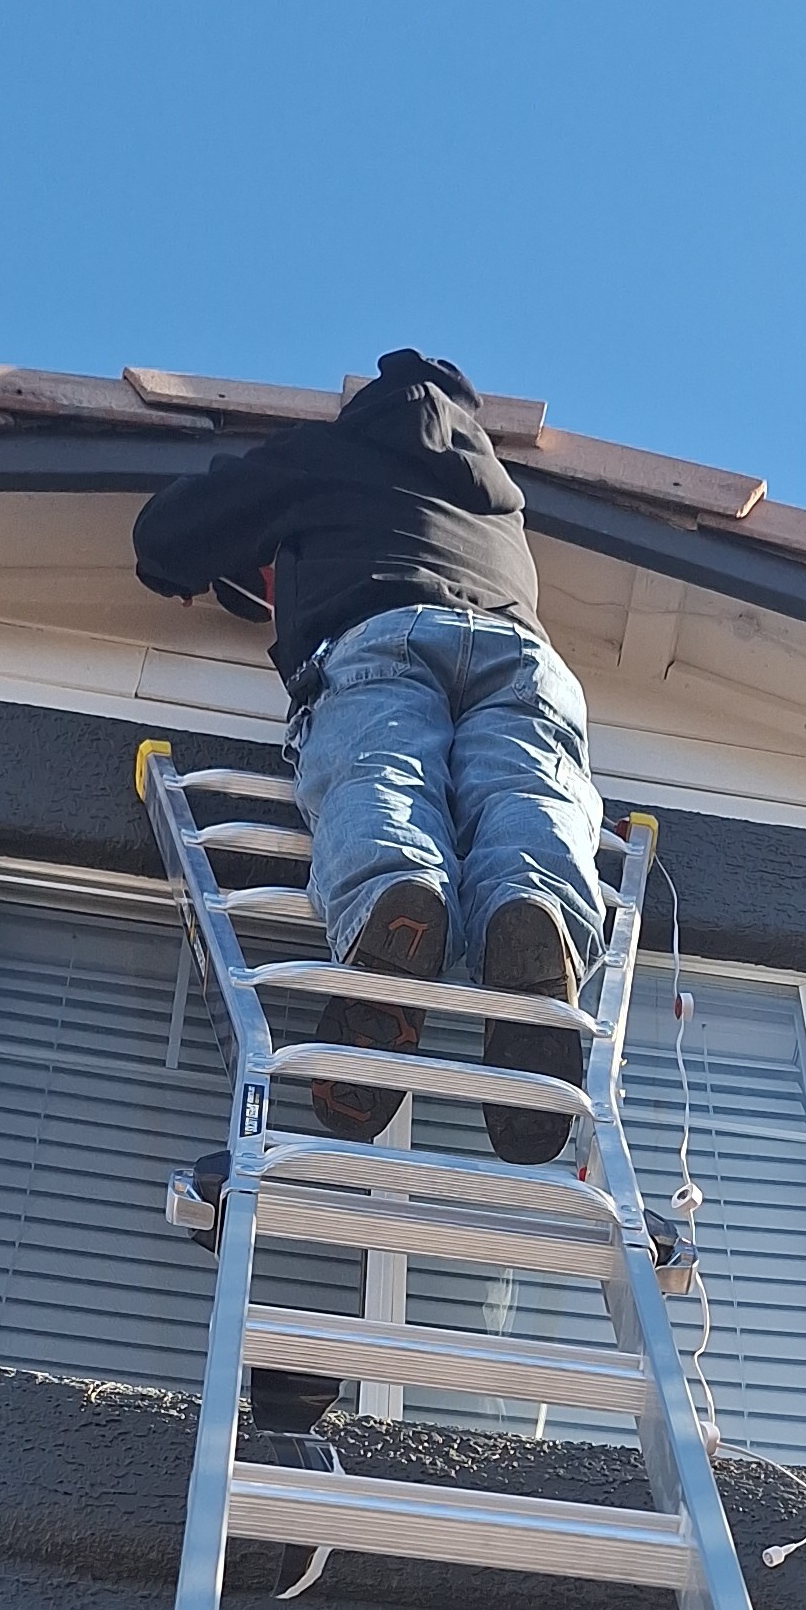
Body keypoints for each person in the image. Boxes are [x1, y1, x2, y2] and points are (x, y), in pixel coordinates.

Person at [130, 349, 603, 1167]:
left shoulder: (327, 456)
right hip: (524, 652)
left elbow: (170, 532)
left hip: (384, 629)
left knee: (381, 768)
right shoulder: (501, 503)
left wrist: (203, 558)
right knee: (525, 791)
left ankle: (398, 892)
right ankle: (537, 915)